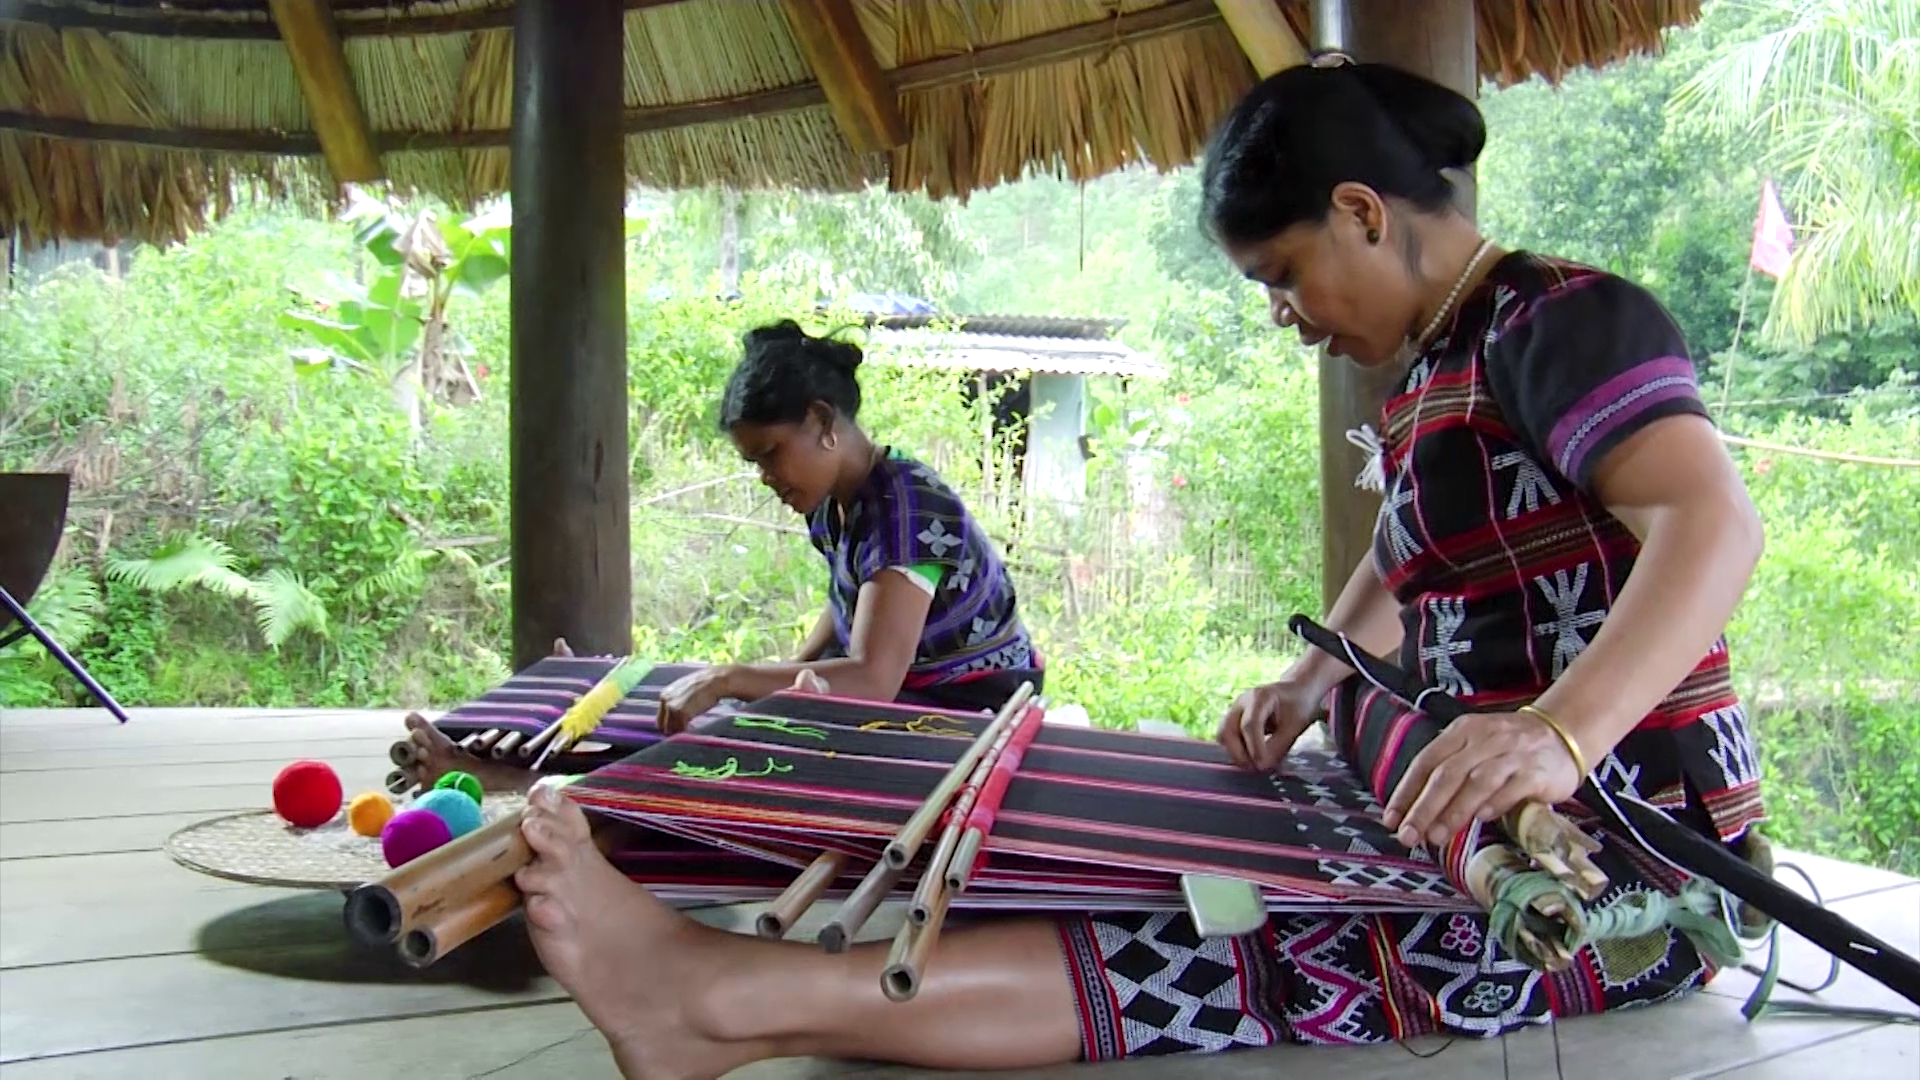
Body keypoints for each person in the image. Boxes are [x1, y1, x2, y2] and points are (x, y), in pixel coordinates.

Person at [507, 59, 1768, 1079]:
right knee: (1175, 881)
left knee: (1224, 949)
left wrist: (1558, 732)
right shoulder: (1435, 370)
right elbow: (1411, 554)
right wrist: (1313, 681)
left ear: (1364, 214)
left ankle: (720, 998)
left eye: (1281, 275)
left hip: (1611, 865)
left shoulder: (1563, 319)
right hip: (1462, 806)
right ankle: (739, 1014)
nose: (1283, 313)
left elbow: (1711, 526)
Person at [402, 320, 1042, 790]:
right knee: (728, 710)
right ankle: (532, 764)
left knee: (732, 741)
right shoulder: (839, 499)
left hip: (970, 707)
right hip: (913, 686)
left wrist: (736, 680)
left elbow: (874, 677)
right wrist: (785, 676)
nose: (765, 476)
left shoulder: (907, 511)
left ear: (823, 423)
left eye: (768, 454)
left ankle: (517, 779)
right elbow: (851, 605)